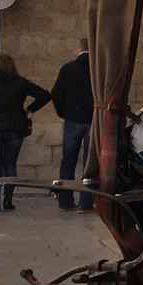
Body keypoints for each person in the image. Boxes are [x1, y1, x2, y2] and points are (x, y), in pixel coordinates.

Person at [0, 54, 49, 212]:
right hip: (16, 127)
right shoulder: (20, 83)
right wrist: (29, 110)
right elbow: (45, 95)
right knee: (10, 164)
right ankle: (8, 201)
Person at [50, 42, 93, 211]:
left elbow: (56, 93)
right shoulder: (99, 69)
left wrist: (63, 112)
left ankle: (65, 200)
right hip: (93, 120)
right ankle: (86, 201)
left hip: (73, 119)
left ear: (78, 50)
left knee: (68, 161)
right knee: (90, 163)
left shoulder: (68, 68)